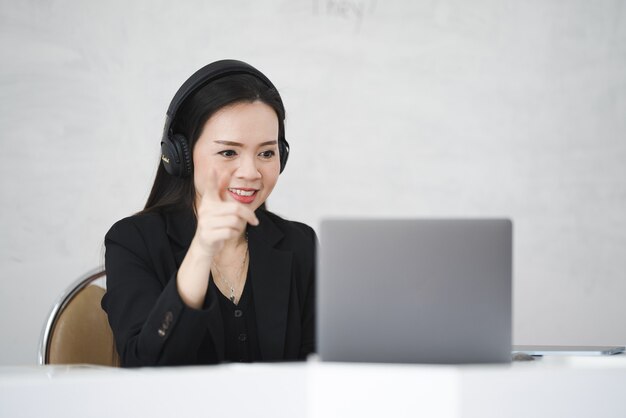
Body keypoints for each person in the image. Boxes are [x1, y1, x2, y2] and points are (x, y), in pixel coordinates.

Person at [101, 60, 316, 367]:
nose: (251, 172)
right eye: (229, 152)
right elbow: (144, 367)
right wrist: (201, 251)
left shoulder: (300, 243)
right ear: (181, 157)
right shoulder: (133, 241)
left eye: (266, 153)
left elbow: (316, 370)